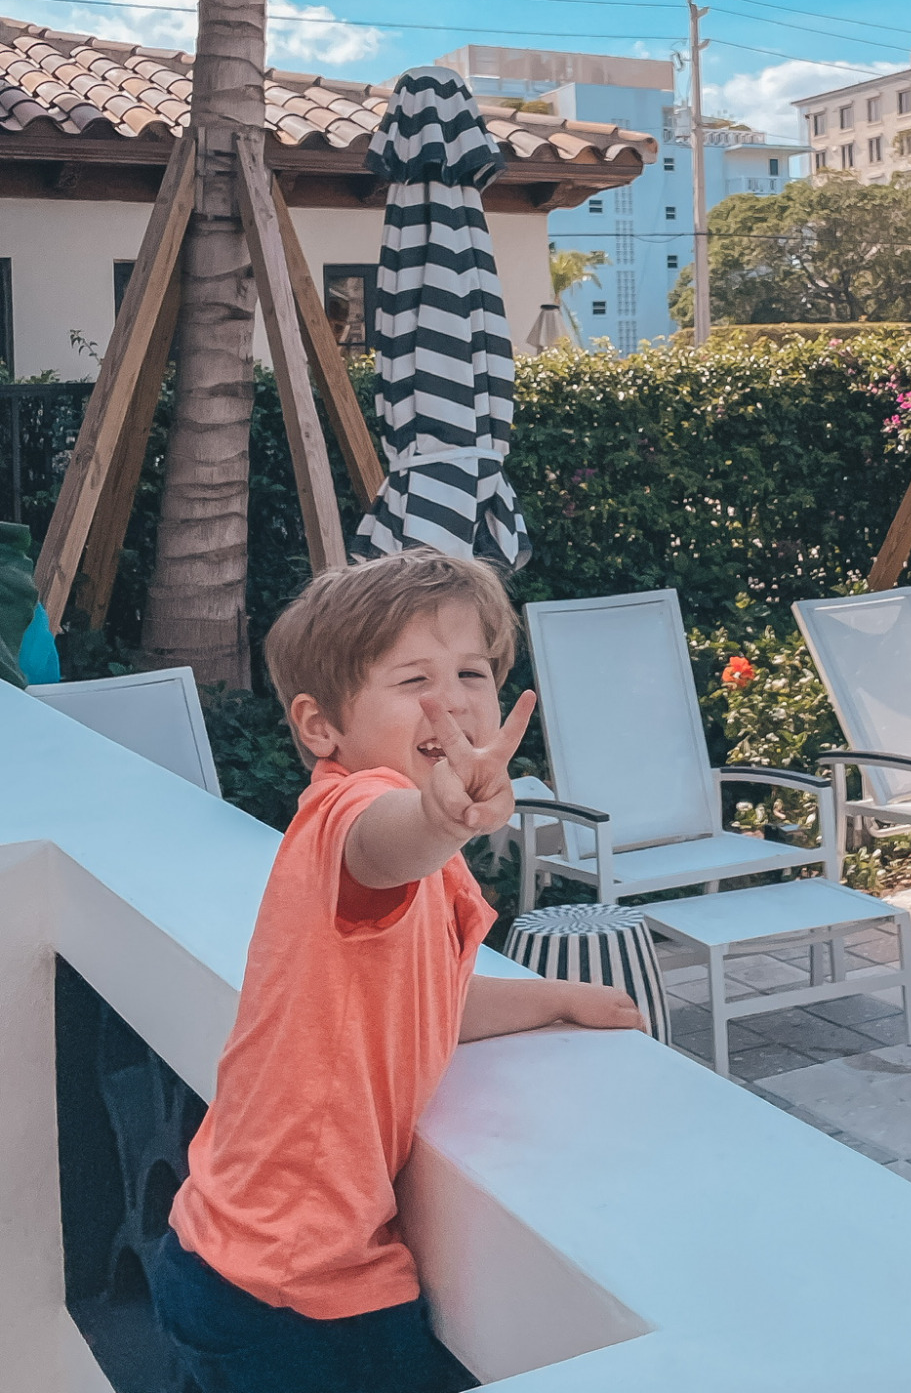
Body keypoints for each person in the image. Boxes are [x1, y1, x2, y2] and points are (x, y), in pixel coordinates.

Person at [151, 550, 645, 1393]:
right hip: (297, 1287)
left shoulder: (421, 857)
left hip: (223, 1250)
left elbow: (422, 1004)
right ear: (321, 728)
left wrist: (556, 998)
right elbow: (386, 843)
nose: (451, 699)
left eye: (472, 672)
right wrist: (440, 816)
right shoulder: (351, 814)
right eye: (413, 676)